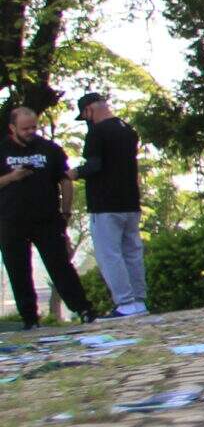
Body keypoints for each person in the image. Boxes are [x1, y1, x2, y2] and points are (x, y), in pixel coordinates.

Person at [0, 103, 97, 328]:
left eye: (33, 127)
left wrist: (66, 211)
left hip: (46, 218)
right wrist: (12, 177)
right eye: (25, 129)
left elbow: (65, 179)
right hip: (11, 220)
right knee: (18, 268)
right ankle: (30, 319)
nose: (30, 132)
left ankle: (84, 309)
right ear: (12, 128)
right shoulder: (2, 149)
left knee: (60, 265)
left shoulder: (49, 149)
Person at [73, 91, 147, 317]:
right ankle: (139, 301)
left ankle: (124, 303)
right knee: (133, 252)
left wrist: (72, 173)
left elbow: (95, 165)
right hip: (130, 201)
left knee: (110, 254)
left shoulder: (97, 133)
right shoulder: (128, 130)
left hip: (105, 204)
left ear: (89, 110)